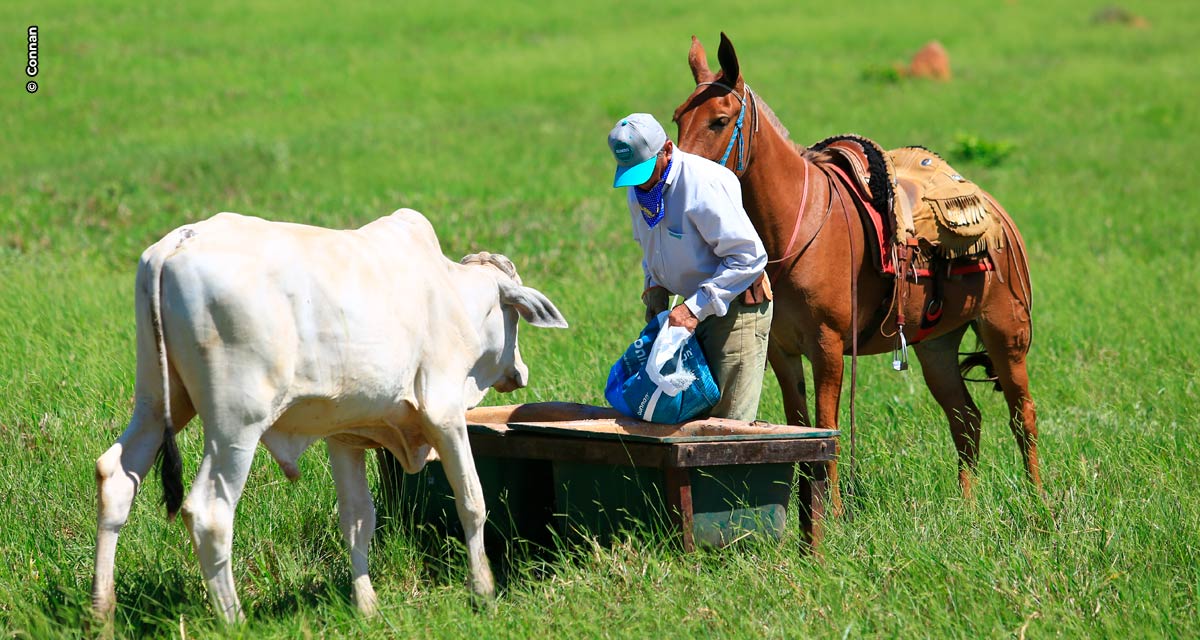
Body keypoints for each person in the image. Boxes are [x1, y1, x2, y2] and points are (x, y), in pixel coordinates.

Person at [608, 113, 773, 422]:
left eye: (644, 171)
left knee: (727, 422)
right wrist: (654, 286)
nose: (640, 181)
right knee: (687, 413)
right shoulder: (642, 188)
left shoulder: (702, 186)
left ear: (667, 150)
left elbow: (749, 256)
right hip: (692, 311)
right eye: (631, 174)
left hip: (735, 308)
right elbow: (651, 245)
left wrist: (693, 309)